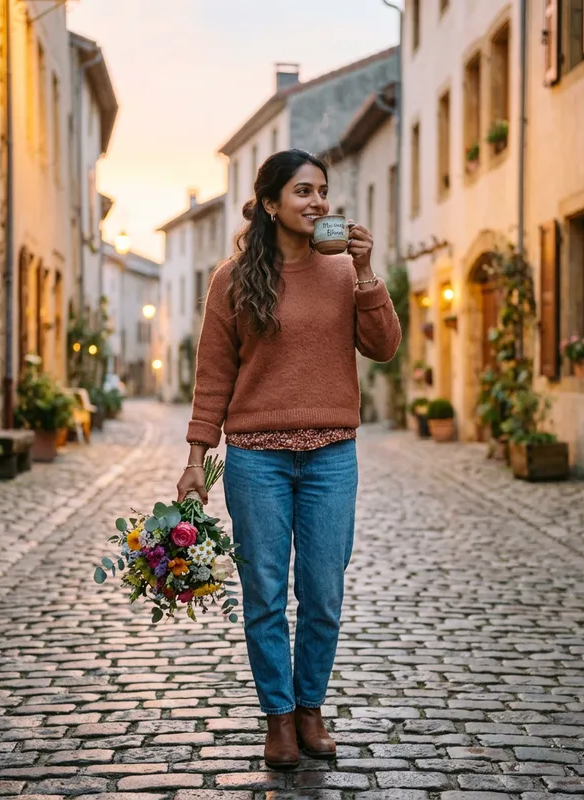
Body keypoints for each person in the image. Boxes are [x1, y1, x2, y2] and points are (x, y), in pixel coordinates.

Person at [177, 149, 401, 770]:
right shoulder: (232, 278)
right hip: (256, 461)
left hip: (332, 457)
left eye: (323, 192)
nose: (319, 203)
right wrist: (198, 455)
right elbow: (213, 374)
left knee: (324, 592)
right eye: (303, 192)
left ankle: (310, 707)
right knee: (266, 593)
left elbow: (383, 348)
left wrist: (366, 272)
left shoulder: (343, 273)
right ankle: (278, 717)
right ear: (271, 204)